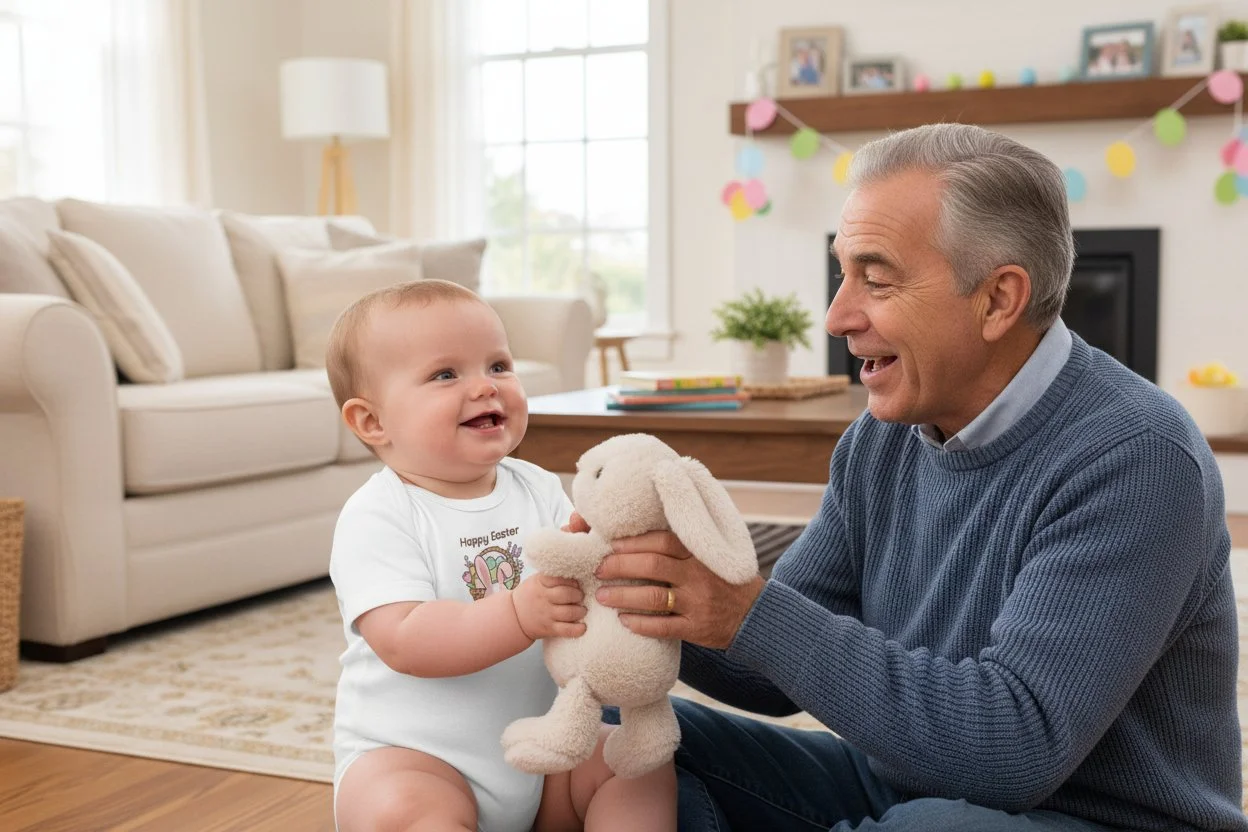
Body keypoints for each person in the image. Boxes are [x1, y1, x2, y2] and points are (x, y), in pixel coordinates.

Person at [587, 124, 1248, 831]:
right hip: (906, 790)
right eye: (844, 273)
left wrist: (750, 613)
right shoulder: (882, 439)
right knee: (621, 733)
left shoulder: (1136, 457)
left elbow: (1013, 752)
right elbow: (766, 670)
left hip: (1094, 818)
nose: (839, 315)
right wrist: (641, 585)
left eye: (877, 278)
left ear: (997, 299)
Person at [327, 279, 676, 831]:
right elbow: (404, 638)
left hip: (540, 754)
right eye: (446, 374)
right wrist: (517, 614)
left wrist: (612, 556)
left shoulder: (536, 488)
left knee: (632, 768)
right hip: (418, 759)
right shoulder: (380, 514)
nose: (485, 388)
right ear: (372, 422)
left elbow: (581, 579)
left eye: (498, 366)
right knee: (404, 811)